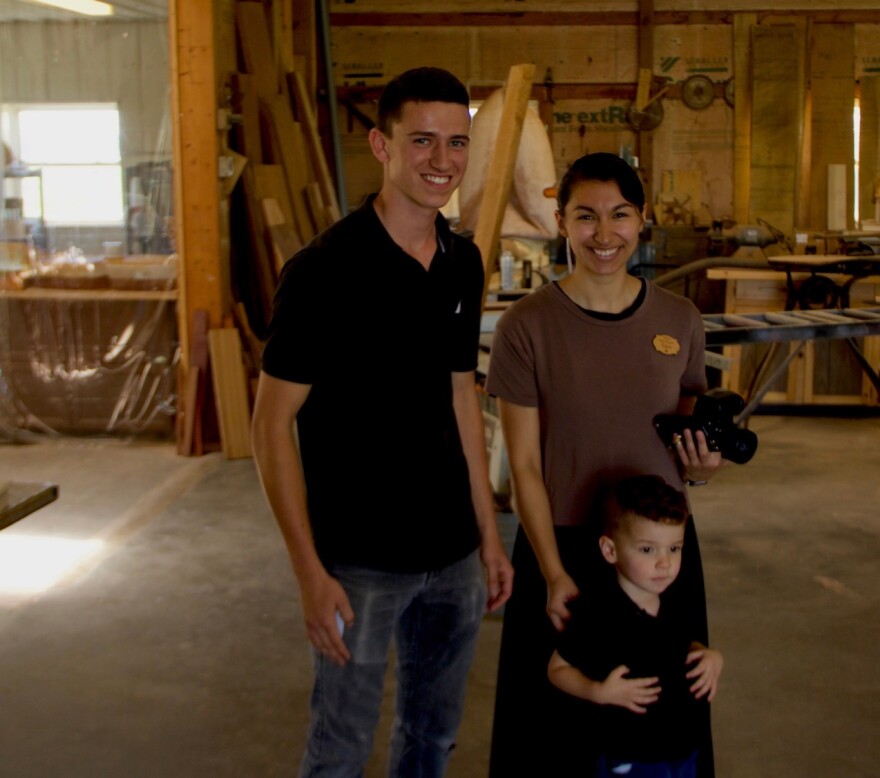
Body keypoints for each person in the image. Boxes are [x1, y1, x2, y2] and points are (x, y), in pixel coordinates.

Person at [251, 66, 513, 777]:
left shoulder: (463, 261)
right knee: (339, 749)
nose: (442, 161)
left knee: (431, 739)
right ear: (380, 144)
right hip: (360, 564)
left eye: (457, 143)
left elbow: (464, 395)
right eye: (422, 140)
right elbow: (270, 427)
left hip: (454, 556)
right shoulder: (325, 272)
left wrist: (489, 536)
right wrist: (309, 571)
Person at [485, 151, 724, 776]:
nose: (604, 234)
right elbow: (526, 467)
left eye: (619, 215)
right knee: (552, 725)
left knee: (667, 714)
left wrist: (704, 466)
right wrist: (553, 572)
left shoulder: (681, 320)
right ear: (561, 221)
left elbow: (692, 455)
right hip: (563, 547)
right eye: (585, 216)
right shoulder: (526, 326)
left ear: (641, 220)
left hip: (661, 550)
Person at [548, 474, 723, 778]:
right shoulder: (597, 612)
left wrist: (710, 656)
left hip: (680, 751)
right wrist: (598, 691)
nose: (664, 563)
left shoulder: (672, 602)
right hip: (628, 758)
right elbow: (557, 669)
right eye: (647, 550)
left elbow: (681, 644)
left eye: (674, 548)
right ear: (610, 550)